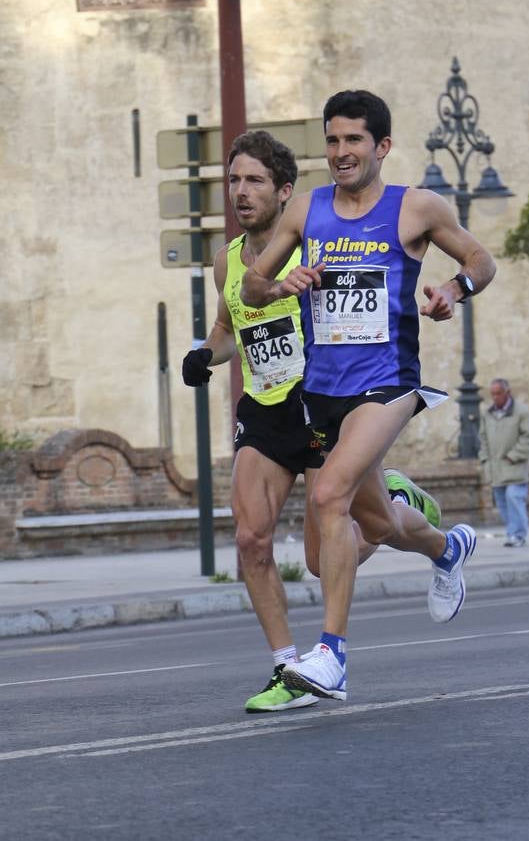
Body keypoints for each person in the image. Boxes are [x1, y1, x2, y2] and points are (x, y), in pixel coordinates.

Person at [241, 90, 496, 702]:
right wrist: (282, 284)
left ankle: (332, 656)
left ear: (381, 146)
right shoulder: (307, 209)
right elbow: (250, 288)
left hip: (387, 384)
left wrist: (453, 292)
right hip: (322, 390)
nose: (340, 152)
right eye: (332, 140)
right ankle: (446, 546)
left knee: (329, 494)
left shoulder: (416, 208)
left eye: (354, 140)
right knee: (368, 524)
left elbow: (481, 259)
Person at [181, 129, 441, 713]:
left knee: (328, 560)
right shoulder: (227, 259)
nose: (240, 193)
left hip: (322, 399)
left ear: (286, 192)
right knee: (251, 538)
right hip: (266, 410)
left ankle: (396, 509)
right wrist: (205, 355)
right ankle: (286, 666)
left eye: (253, 182)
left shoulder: (317, 242)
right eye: (233, 180)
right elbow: (229, 329)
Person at [478, 378, 529, 547]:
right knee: (502, 504)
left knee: (514, 499)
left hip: (514, 468)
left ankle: (518, 535)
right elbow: (483, 439)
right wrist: (485, 459)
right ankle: (513, 533)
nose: (495, 397)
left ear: (507, 393)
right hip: (495, 469)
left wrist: (514, 455)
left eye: (498, 393)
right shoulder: (487, 414)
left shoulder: (521, 412)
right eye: (493, 394)